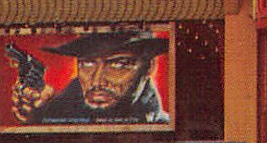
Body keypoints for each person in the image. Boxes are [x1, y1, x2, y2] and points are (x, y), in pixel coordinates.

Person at [10, 30, 169, 124]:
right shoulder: (57, 107)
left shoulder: (161, 122)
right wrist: (43, 112)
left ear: (149, 67)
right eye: (87, 63)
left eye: (118, 64)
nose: (97, 80)